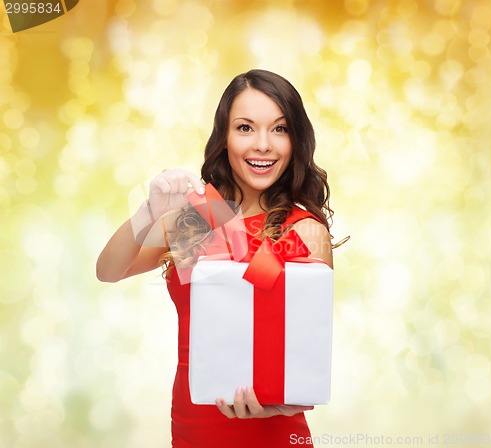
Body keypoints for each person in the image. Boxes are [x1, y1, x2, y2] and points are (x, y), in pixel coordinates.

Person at [96, 69, 341, 447]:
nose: (263, 144)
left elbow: (308, 355)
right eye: (245, 128)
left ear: (296, 140)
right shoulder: (199, 217)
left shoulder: (304, 230)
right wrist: (151, 210)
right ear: (224, 137)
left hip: (273, 434)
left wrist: (280, 408)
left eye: (279, 129)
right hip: (194, 427)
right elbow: (109, 271)